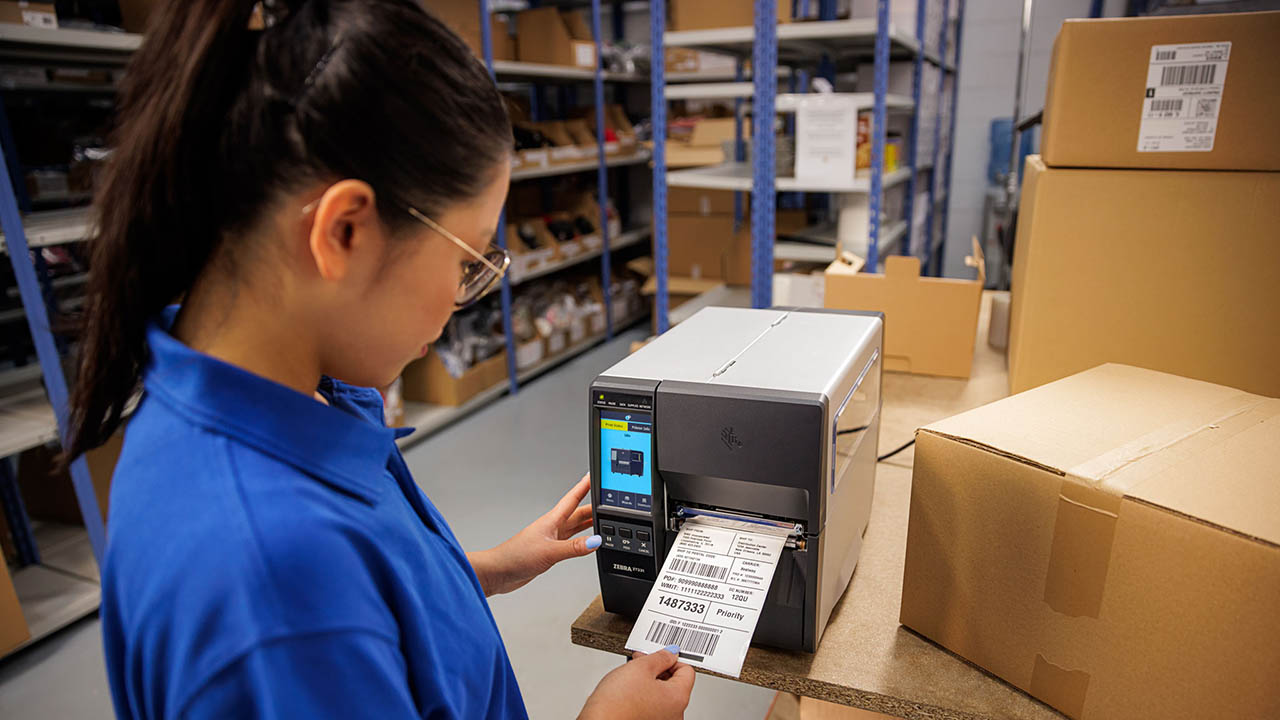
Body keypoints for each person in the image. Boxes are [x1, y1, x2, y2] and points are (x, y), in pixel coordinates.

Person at [64, 1, 695, 717]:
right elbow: (320, 615)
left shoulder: (290, 394)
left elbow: (371, 602)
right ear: (344, 232)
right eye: (465, 262)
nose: (469, 296)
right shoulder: (272, 581)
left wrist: (475, 570)